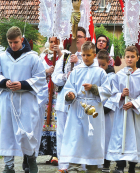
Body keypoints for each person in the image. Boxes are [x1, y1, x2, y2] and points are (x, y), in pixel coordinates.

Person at [0, 26, 47, 173]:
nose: (13, 45)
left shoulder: (33, 58)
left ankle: (31, 160)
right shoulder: (2, 58)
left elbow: (40, 78)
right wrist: (5, 82)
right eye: (10, 42)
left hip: (27, 100)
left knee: (28, 131)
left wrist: (23, 84)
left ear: (22, 40)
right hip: (8, 100)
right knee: (7, 132)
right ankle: (8, 166)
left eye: (15, 42)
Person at [60, 42, 112, 173]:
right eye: (83, 55)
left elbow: (107, 90)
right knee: (75, 137)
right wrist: (69, 95)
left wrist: (94, 88)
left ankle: (92, 166)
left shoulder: (100, 72)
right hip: (77, 108)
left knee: (92, 139)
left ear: (94, 55)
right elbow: (68, 88)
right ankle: (74, 166)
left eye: (88, 55)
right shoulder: (76, 71)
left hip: (93, 109)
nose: (86, 57)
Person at [107, 46, 140, 173]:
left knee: (135, 138)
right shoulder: (119, 75)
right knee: (121, 136)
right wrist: (121, 95)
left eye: (132, 57)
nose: (129, 59)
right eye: (127, 56)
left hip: (136, 112)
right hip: (122, 111)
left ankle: (132, 166)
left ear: (138, 58)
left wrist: (133, 103)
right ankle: (120, 165)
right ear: (124, 58)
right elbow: (113, 93)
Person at [52, 27, 88, 173]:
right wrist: (66, 77)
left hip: (81, 102)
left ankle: (81, 164)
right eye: (75, 37)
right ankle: (64, 165)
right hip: (63, 101)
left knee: (81, 132)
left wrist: (79, 62)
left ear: (85, 39)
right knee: (62, 133)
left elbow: (91, 75)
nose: (77, 39)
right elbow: (55, 77)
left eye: (80, 36)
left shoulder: (88, 57)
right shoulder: (65, 57)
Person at [38, 37, 63, 165]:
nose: (54, 44)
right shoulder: (43, 57)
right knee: (45, 122)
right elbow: (36, 73)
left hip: (58, 93)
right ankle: (46, 152)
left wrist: (59, 54)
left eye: (56, 42)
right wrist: (46, 71)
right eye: (52, 42)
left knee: (56, 122)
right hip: (46, 93)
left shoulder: (64, 56)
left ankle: (56, 154)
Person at [97, 49, 117, 173]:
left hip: (107, 111)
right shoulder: (95, 75)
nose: (100, 67)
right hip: (96, 111)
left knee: (107, 137)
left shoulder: (112, 77)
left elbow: (114, 95)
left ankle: (106, 162)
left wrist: (106, 108)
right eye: (98, 65)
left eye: (103, 65)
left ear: (109, 63)